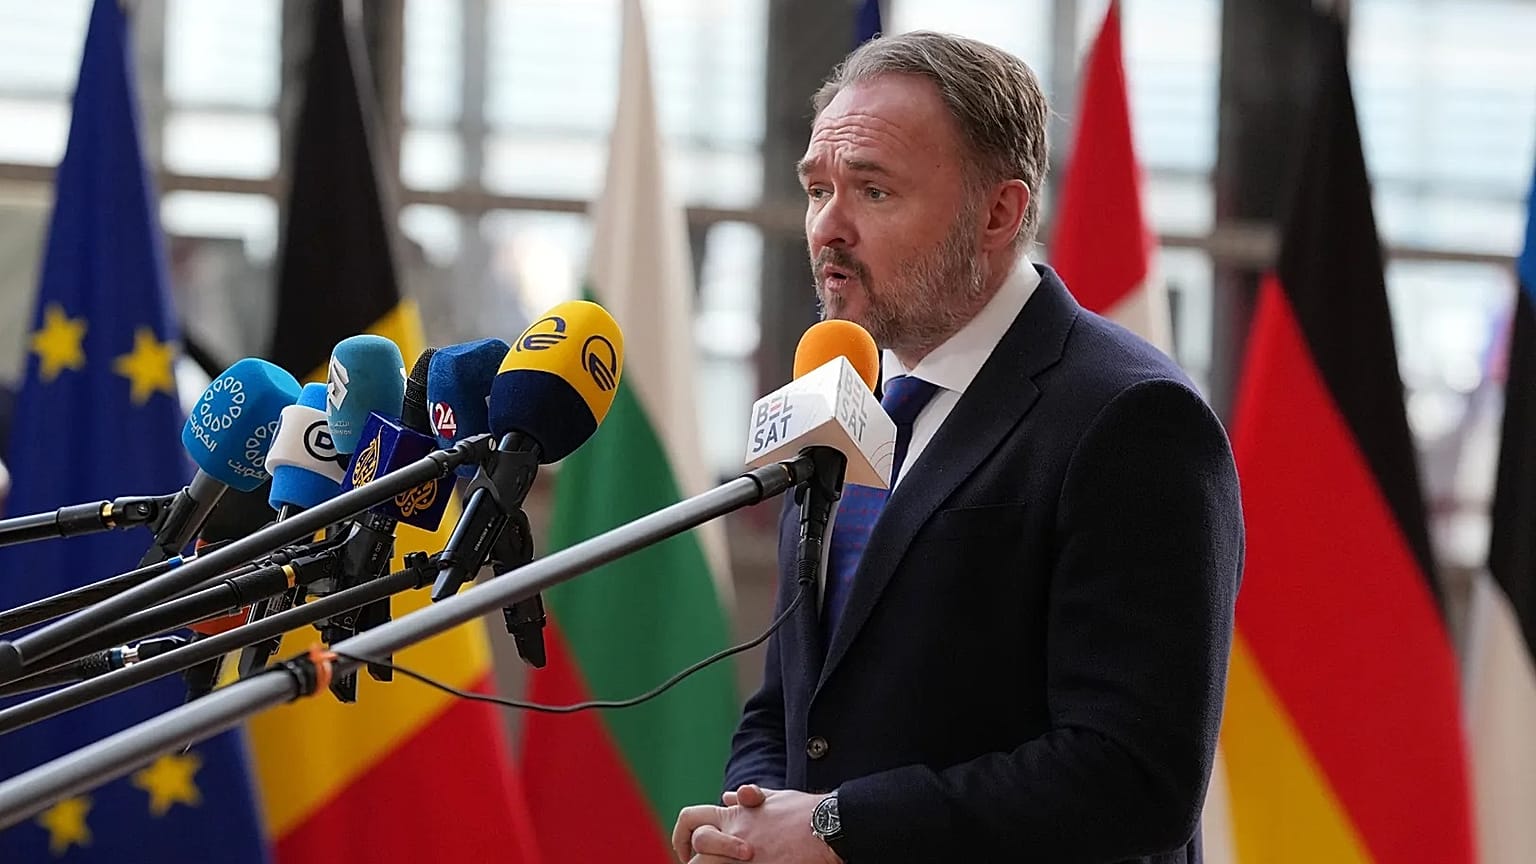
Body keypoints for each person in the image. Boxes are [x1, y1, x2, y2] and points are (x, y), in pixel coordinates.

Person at [672, 30, 1244, 864]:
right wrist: (751, 821)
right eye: (817, 188)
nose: (828, 228)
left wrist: (839, 827)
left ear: (999, 213)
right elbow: (791, 701)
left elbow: (1134, 776)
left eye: (872, 191)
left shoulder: (1133, 418)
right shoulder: (841, 388)